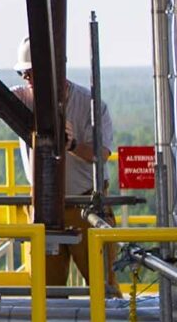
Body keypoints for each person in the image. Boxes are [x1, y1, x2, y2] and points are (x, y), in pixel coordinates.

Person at [14, 35, 115, 210]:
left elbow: (101, 155)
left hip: (87, 203)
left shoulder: (89, 105)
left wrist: (71, 145)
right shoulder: (22, 98)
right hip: (41, 201)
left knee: (90, 238)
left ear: (53, 69)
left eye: (31, 71)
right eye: (22, 73)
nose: (26, 77)